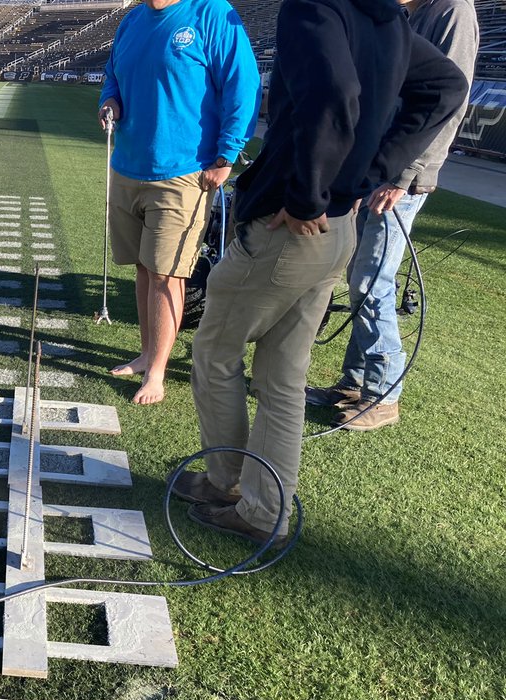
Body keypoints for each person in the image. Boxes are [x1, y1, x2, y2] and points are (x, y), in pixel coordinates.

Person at [175, 0, 467, 545]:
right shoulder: (387, 18)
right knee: (283, 378)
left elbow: (335, 98)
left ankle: (225, 483)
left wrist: (312, 196)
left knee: (215, 353)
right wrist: (365, 176)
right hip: (337, 230)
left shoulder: (316, 6)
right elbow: (445, 86)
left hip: (294, 224)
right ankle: (264, 511)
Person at [307, 0, 479, 431]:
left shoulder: (453, 11)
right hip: (379, 168)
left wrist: (403, 175)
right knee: (360, 277)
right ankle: (357, 381)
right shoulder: (410, 12)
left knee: (372, 280)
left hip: (400, 177)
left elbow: (449, 102)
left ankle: (384, 394)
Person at [97, 0, 259, 404]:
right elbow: (112, 76)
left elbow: (243, 84)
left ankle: (157, 373)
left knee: (168, 274)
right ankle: (147, 352)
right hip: (128, 166)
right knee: (142, 267)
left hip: (183, 171)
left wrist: (227, 154)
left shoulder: (211, 14)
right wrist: (110, 100)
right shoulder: (132, 20)